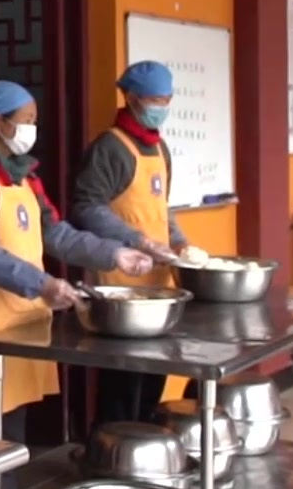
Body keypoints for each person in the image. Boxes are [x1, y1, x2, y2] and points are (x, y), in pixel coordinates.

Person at [0, 81, 155, 489]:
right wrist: (42, 284)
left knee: (11, 429)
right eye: (28, 119)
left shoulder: (25, 177)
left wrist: (116, 253)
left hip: (23, 321)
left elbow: (56, 233)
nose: (33, 129)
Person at [70, 60, 207, 425]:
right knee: (122, 378)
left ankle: (144, 448)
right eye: (154, 99)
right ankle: (111, 449)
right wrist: (137, 241)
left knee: (153, 374)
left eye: (167, 99)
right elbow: (85, 207)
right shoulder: (110, 148)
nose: (161, 107)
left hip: (157, 285)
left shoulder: (160, 149)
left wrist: (179, 244)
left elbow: (162, 209)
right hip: (120, 285)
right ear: (131, 98)